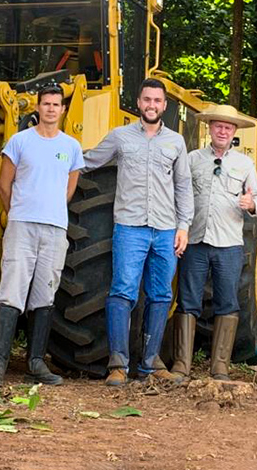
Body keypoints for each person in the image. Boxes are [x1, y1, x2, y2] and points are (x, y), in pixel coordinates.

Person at [84, 78, 194, 386]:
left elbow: (183, 187)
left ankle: (149, 364)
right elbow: (89, 161)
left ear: (164, 105)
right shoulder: (120, 137)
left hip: (165, 230)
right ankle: (118, 364)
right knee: (122, 292)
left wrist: (183, 227)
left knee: (160, 295)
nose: (152, 105)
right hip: (130, 228)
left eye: (157, 101)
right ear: (139, 102)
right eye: (147, 100)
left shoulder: (175, 142)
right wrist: (55, 158)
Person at [0, 85, 84, 387]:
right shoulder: (19, 142)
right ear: (38, 108)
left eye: (56, 104)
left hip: (54, 228)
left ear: (63, 110)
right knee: (11, 290)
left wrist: (50, 209)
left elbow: (69, 188)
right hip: (22, 225)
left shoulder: (71, 147)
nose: (51, 109)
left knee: (45, 293)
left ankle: (36, 362)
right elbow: (4, 185)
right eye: (46, 104)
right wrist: (18, 212)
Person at [170, 104, 257, 381]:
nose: (222, 130)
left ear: (234, 132)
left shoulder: (244, 164)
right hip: (196, 241)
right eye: (218, 125)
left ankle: (220, 365)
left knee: (227, 301)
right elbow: (180, 193)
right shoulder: (192, 159)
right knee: (188, 301)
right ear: (209, 128)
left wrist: (251, 204)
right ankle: (181, 364)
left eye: (228, 126)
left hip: (229, 245)